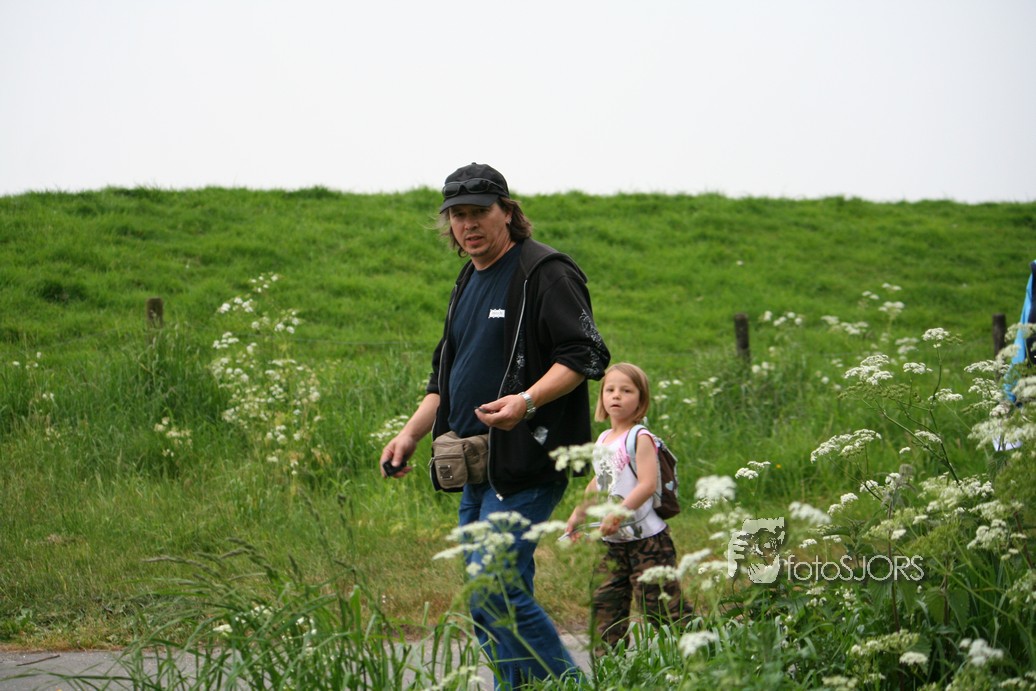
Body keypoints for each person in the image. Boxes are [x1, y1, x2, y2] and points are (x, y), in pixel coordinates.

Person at [378, 162, 610, 687]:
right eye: (457, 215)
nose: (468, 224)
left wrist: (526, 401)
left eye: (479, 212)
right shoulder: (467, 279)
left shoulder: (544, 272)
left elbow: (586, 355)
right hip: (474, 465)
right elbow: (444, 375)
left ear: (507, 211)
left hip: (526, 459)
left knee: (494, 589)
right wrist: (410, 434)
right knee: (491, 599)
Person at [565, 362, 689, 651]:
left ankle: (698, 656)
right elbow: (598, 482)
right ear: (602, 399)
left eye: (626, 391)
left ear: (641, 400)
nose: (616, 396)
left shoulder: (640, 437)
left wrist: (619, 514)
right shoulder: (603, 439)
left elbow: (646, 484)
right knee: (605, 604)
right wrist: (577, 515)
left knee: (660, 605)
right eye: (609, 390)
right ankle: (609, 665)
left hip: (648, 542)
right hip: (612, 541)